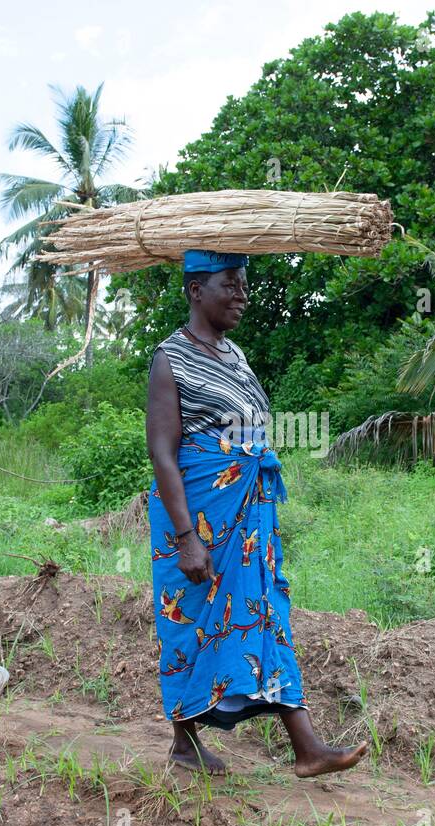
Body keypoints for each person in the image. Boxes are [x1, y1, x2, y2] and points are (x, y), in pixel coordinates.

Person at [145, 249, 368, 778]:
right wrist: (185, 537)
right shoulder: (169, 358)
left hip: (247, 518)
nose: (244, 295)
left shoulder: (235, 354)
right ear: (196, 290)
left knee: (266, 613)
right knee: (191, 622)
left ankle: (307, 747)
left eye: (245, 283)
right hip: (198, 516)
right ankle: (183, 742)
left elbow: (247, 431)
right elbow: (162, 451)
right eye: (232, 284)